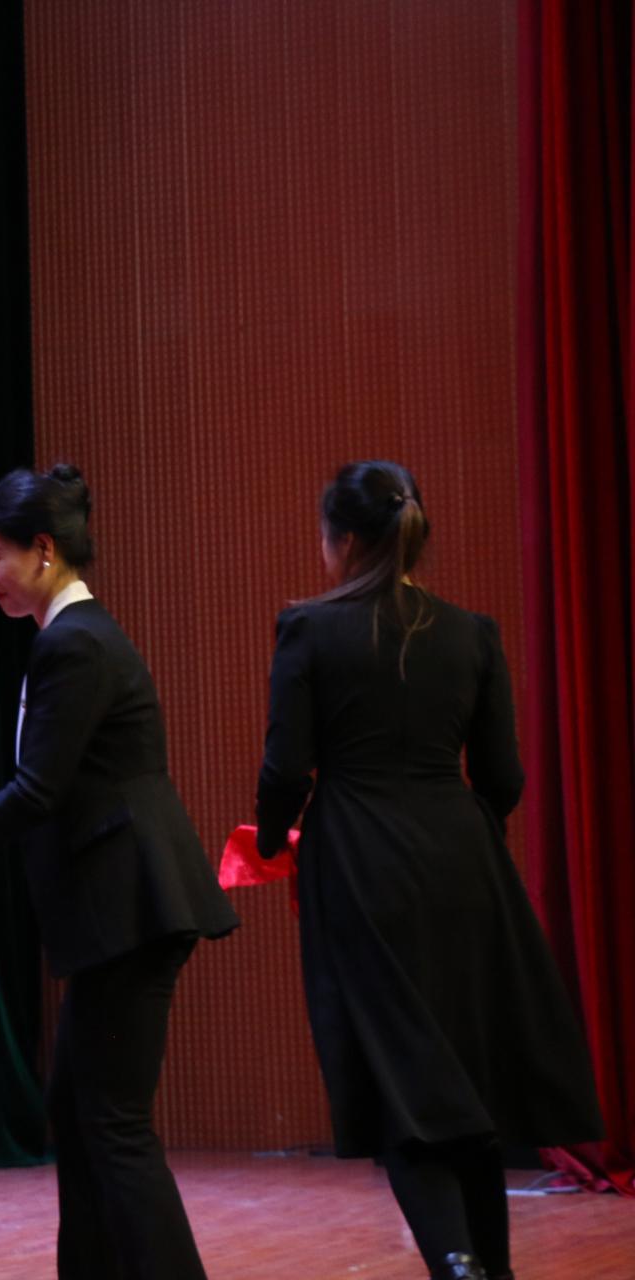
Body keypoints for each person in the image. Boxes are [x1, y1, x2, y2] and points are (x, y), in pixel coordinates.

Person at [0, 464, 237, 1280]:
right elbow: (60, 785)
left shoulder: (73, 642)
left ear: (45, 550)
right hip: (126, 909)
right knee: (80, 1109)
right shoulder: (73, 637)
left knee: (113, 1124)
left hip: (132, 908)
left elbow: (39, 794)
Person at [254, 461, 601, 1280]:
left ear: (341, 541)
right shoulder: (473, 633)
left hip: (360, 861)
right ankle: (489, 1268)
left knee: (400, 1081)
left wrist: (272, 839)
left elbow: (286, 767)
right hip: (464, 864)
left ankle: (456, 1263)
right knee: (464, 1078)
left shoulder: (309, 629)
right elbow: (504, 777)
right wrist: (464, 833)